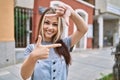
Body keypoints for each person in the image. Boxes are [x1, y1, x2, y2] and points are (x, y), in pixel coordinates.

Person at [20, 1, 88, 80]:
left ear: (59, 27)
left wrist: (71, 12)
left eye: (55, 24)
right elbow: (24, 76)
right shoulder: (31, 48)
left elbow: (83, 29)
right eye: (47, 22)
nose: (50, 27)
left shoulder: (65, 44)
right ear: (41, 24)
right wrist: (33, 57)